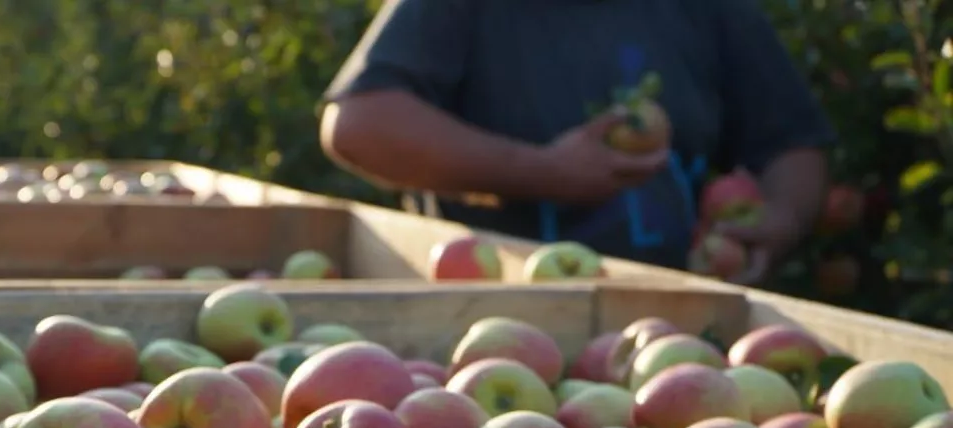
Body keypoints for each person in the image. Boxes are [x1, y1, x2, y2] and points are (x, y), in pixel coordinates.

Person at [319, 0, 835, 284]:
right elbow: (362, 123)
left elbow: (792, 143)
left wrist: (781, 219)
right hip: (493, 324)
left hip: (685, 331)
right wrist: (542, 172)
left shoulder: (712, 10)